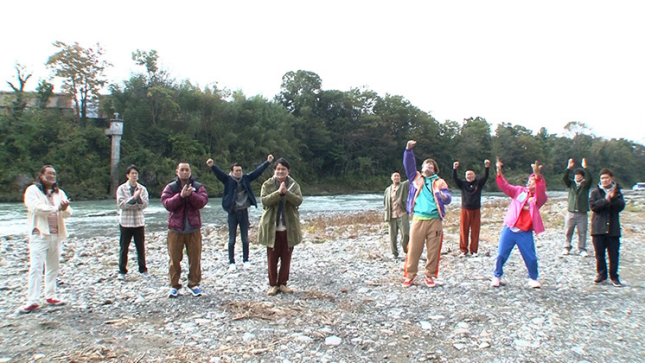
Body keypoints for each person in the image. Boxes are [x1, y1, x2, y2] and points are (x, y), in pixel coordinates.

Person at [19, 165, 72, 314]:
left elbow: (68, 213)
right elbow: (36, 208)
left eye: (54, 174)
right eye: (49, 174)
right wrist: (56, 208)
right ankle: (33, 300)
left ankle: (51, 295)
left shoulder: (59, 193)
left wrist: (65, 208)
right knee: (36, 267)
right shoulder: (32, 191)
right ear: (41, 175)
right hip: (39, 234)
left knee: (53, 266)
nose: (52, 177)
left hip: (56, 234)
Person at [206, 154, 274, 271]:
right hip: (232, 212)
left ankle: (246, 260)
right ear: (231, 172)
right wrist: (212, 166)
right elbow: (219, 173)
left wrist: (267, 162)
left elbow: (257, 172)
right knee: (232, 238)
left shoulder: (246, 178)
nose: (238, 172)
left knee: (245, 238)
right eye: (236, 171)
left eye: (240, 170)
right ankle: (232, 262)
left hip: (244, 212)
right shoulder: (227, 180)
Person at [491, 158, 547, 289]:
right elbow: (505, 186)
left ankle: (533, 278)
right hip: (510, 227)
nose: (530, 183)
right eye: (530, 180)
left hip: (525, 231)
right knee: (501, 254)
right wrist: (499, 172)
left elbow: (541, 192)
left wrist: (538, 176)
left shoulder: (539, 198)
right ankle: (497, 276)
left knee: (530, 256)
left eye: (534, 181)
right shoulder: (519, 191)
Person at [402, 140, 452, 288]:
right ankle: (409, 275)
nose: (428, 166)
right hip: (418, 218)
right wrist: (408, 150)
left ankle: (429, 276)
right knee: (414, 248)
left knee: (433, 250)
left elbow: (447, 198)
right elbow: (409, 165)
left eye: (431, 165)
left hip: (435, 220)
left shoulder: (440, 182)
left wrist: (443, 197)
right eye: (426, 164)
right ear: (422, 168)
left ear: (435, 169)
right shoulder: (415, 178)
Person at [161, 163, 209, 297]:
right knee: (174, 258)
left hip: (193, 229)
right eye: (182, 170)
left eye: (187, 170)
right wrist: (180, 196)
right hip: (175, 229)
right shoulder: (171, 187)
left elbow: (202, 201)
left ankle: (194, 283)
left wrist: (191, 195)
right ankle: (174, 285)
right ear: (177, 171)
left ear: (190, 172)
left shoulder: (198, 187)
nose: (184, 172)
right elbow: (167, 203)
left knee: (195, 258)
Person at [258, 158, 303, 296]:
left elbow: (298, 200)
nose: (280, 171)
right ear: (274, 171)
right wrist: (278, 193)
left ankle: (283, 283)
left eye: (283, 169)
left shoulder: (294, 185)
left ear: (288, 171)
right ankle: (273, 285)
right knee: (272, 258)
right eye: (278, 169)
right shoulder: (268, 184)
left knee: (286, 257)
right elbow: (264, 201)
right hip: (272, 227)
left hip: (289, 228)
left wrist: (286, 193)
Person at [589, 168, 625, 287]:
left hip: (613, 229)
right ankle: (601, 275)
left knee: (614, 254)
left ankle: (614, 277)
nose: (604, 180)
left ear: (611, 179)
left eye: (607, 178)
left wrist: (613, 198)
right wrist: (606, 200)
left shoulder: (618, 192)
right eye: (602, 178)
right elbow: (593, 207)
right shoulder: (595, 192)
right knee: (599, 254)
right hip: (598, 228)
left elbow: (620, 207)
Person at [116, 164, 149, 280]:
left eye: (136, 173)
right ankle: (122, 270)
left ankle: (143, 269)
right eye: (132, 174)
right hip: (126, 222)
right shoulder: (121, 189)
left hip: (139, 222)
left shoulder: (142, 189)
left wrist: (137, 199)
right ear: (127, 175)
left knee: (140, 247)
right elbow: (121, 204)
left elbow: (144, 205)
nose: (134, 176)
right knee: (124, 247)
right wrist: (133, 199)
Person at [452, 159, 490, 257]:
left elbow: (485, 177)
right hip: (465, 209)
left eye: (471, 174)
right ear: (465, 176)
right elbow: (455, 179)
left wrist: (487, 167)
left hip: (476, 209)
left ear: (474, 176)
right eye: (468, 175)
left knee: (475, 230)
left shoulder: (478, 183)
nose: (469, 176)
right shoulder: (463, 184)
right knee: (463, 230)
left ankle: (474, 250)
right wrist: (454, 169)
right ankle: (463, 250)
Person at [561, 158, 593, 257]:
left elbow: (590, 179)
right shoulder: (571, 185)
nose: (576, 177)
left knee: (582, 231)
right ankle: (567, 247)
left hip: (582, 213)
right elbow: (564, 178)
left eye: (578, 176)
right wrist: (568, 168)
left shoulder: (585, 185)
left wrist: (585, 168)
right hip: (571, 212)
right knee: (568, 230)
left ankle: (582, 249)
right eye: (575, 176)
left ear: (582, 177)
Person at [383, 171, 409, 260]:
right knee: (392, 236)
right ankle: (394, 253)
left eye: (398, 176)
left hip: (402, 213)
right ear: (391, 178)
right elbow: (385, 202)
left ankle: (407, 251)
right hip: (391, 215)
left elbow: (412, 179)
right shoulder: (387, 190)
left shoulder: (404, 186)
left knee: (405, 234)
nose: (396, 177)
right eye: (394, 176)